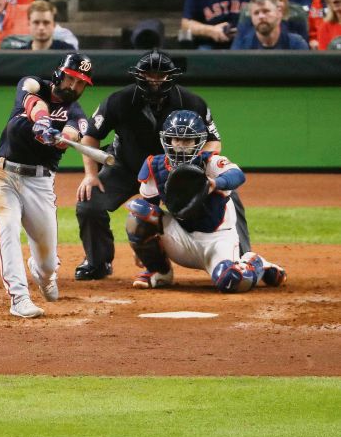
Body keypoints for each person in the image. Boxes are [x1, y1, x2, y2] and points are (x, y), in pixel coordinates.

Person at [73, 49, 251, 281]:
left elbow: (213, 141)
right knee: (88, 203)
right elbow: (90, 136)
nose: (154, 80)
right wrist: (90, 174)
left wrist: (193, 170)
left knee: (228, 194)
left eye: (160, 75)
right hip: (124, 167)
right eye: (149, 74)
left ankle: (242, 258)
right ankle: (98, 262)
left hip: (173, 170)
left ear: (171, 76)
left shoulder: (191, 101)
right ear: (138, 75)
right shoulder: (119, 100)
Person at [124, 109, 287, 293]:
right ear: (167, 140)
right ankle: (159, 272)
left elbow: (237, 175)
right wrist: (141, 249)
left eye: (188, 141)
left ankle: (254, 262)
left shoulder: (211, 162)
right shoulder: (155, 166)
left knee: (232, 281)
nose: (181, 146)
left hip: (217, 241)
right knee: (139, 213)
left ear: (199, 142)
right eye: (176, 139)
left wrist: (214, 183)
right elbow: (149, 207)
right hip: (181, 237)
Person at [0, 53, 94, 318]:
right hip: (4, 175)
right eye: (71, 79)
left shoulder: (76, 114)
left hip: (40, 183)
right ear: (60, 74)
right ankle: (19, 298)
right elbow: (33, 102)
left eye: (81, 83)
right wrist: (43, 122)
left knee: (47, 264)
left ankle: (43, 274)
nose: (74, 87)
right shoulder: (33, 84)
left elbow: (73, 132)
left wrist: (60, 138)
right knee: (8, 226)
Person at [181, 0, 252, 49]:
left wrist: (244, 31)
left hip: (247, 42)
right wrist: (211, 30)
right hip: (211, 43)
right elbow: (186, 24)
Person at [233, 0, 311, 44]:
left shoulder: (297, 17)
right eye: (274, 0)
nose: (280, 4)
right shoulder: (247, 38)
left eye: (281, 0)